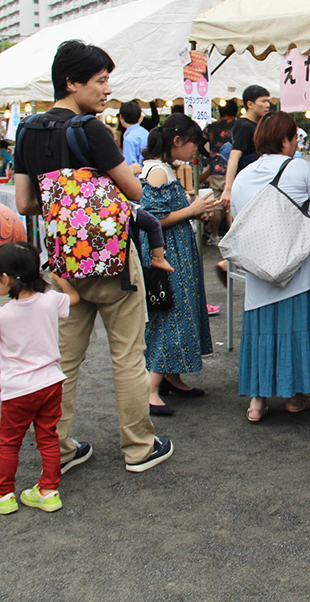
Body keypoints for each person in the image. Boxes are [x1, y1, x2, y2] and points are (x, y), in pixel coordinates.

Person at [13, 39, 173, 473]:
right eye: (101, 82)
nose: (107, 91)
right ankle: (139, 448)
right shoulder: (90, 130)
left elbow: (26, 202)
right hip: (114, 262)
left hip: (63, 266)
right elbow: (136, 191)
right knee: (127, 355)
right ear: (72, 82)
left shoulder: (27, 130)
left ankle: (58, 451)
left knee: (62, 360)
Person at [230, 111, 310, 423]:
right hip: (300, 268)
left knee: (262, 330)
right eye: (294, 137)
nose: (296, 143)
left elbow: (239, 220)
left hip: (260, 267)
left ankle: (256, 401)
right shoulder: (300, 168)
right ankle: (294, 396)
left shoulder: (243, 175)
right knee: (296, 328)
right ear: (286, 139)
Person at [0, 243, 78, 515]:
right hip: (51, 383)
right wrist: (60, 281)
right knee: (48, 438)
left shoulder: (1, 315)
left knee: (9, 443)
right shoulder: (49, 299)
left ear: (5, 278)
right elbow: (73, 300)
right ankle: (48, 492)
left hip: (18, 391)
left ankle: (3, 494)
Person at [139, 114, 217, 416]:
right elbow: (152, 218)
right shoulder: (158, 171)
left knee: (178, 310)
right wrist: (192, 209)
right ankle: (151, 389)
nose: (194, 151)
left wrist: (193, 212)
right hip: (167, 254)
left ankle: (172, 377)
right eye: (193, 144)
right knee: (170, 313)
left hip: (176, 251)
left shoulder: (165, 169)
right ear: (177, 142)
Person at [220, 84, 270, 209]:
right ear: (250, 104)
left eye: (268, 101)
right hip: (248, 185)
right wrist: (228, 189)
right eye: (263, 101)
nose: (267, 105)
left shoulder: (257, 124)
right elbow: (234, 156)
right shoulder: (244, 126)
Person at [201, 99, 237, 244]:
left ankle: (214, 235)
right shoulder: (237, 126)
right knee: (231, 204)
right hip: (233, 167)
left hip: (215, 168)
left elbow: (199, 143)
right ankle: (232, 236)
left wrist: (209, 155)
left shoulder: (211, 127)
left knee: (217, 202)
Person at [119, 101, 147, 174]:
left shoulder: (129, 139)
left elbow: (130, 166)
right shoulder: (146, 133)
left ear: (120, 117)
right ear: (140, 117)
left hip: (139, 180)